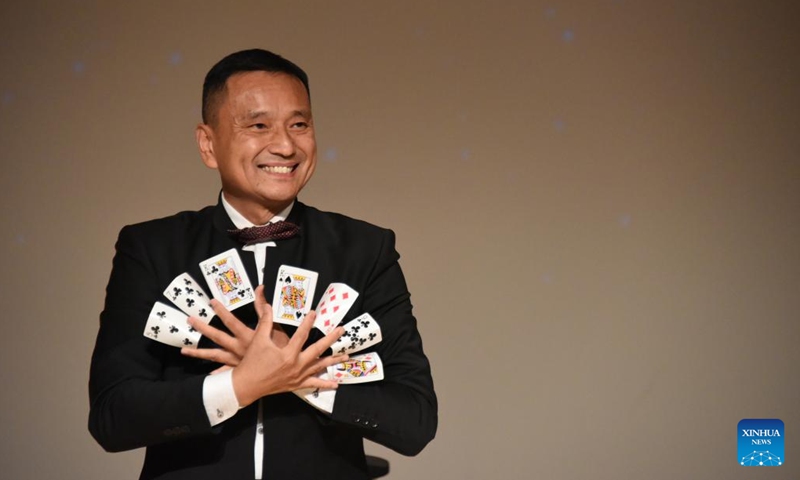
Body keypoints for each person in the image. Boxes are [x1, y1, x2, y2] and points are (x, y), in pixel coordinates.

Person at [88, 48, 437, 480]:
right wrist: (239, 385)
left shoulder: (365, 249)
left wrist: (299, 376)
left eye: (299, 124)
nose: (286, 145)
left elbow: (416, 421)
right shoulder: (152, 248)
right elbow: (112, 416)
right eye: (258, 125)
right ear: (208, 144)